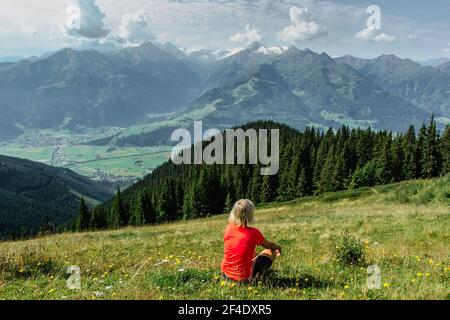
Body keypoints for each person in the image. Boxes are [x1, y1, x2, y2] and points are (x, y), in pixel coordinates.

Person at [221, 199, 282, 282]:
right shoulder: (253, 233)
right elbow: (269, 246)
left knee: (251, 252)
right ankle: (257, 276)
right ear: (250, 215)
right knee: (270, 251)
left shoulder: (229, 228)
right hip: (245, 279)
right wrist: (278, 247)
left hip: (225, 276)